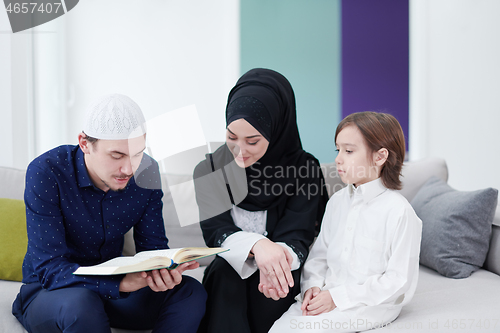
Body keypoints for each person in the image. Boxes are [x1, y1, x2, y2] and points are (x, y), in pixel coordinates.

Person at [12, 94, 207, 333]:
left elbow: (153, 248)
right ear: (84, 143)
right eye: (117, 156)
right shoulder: (47, 172)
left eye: (137, 154)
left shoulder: (146, 171)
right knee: (82, 304)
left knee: (190, 292)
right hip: (53, 292)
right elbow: (49, 268)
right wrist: (120, 283)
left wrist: (162, 272)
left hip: (117, 295)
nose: (129, 169)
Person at [193, 68, 329, 333]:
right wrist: (258, 246)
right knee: (225, 273)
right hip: (228, 272)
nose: (239, 152)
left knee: (277, 283)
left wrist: (273, 260)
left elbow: (298, 235)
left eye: (252, 141)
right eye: (232, 138)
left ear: (277, 129)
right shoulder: (209, 169)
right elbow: (216, 232)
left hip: (283, 271)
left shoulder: (304, 169)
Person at [269, 111, 423, 333]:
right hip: (328, 294)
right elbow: (319, 257)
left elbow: (398, 281)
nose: (338, 159)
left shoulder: (399, 212)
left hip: (370, 304)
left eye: (349, 151)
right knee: (278, 329)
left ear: (380, 157)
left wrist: (337, 297)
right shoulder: (337, 202)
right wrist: (311, 286)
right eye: (338, 150)